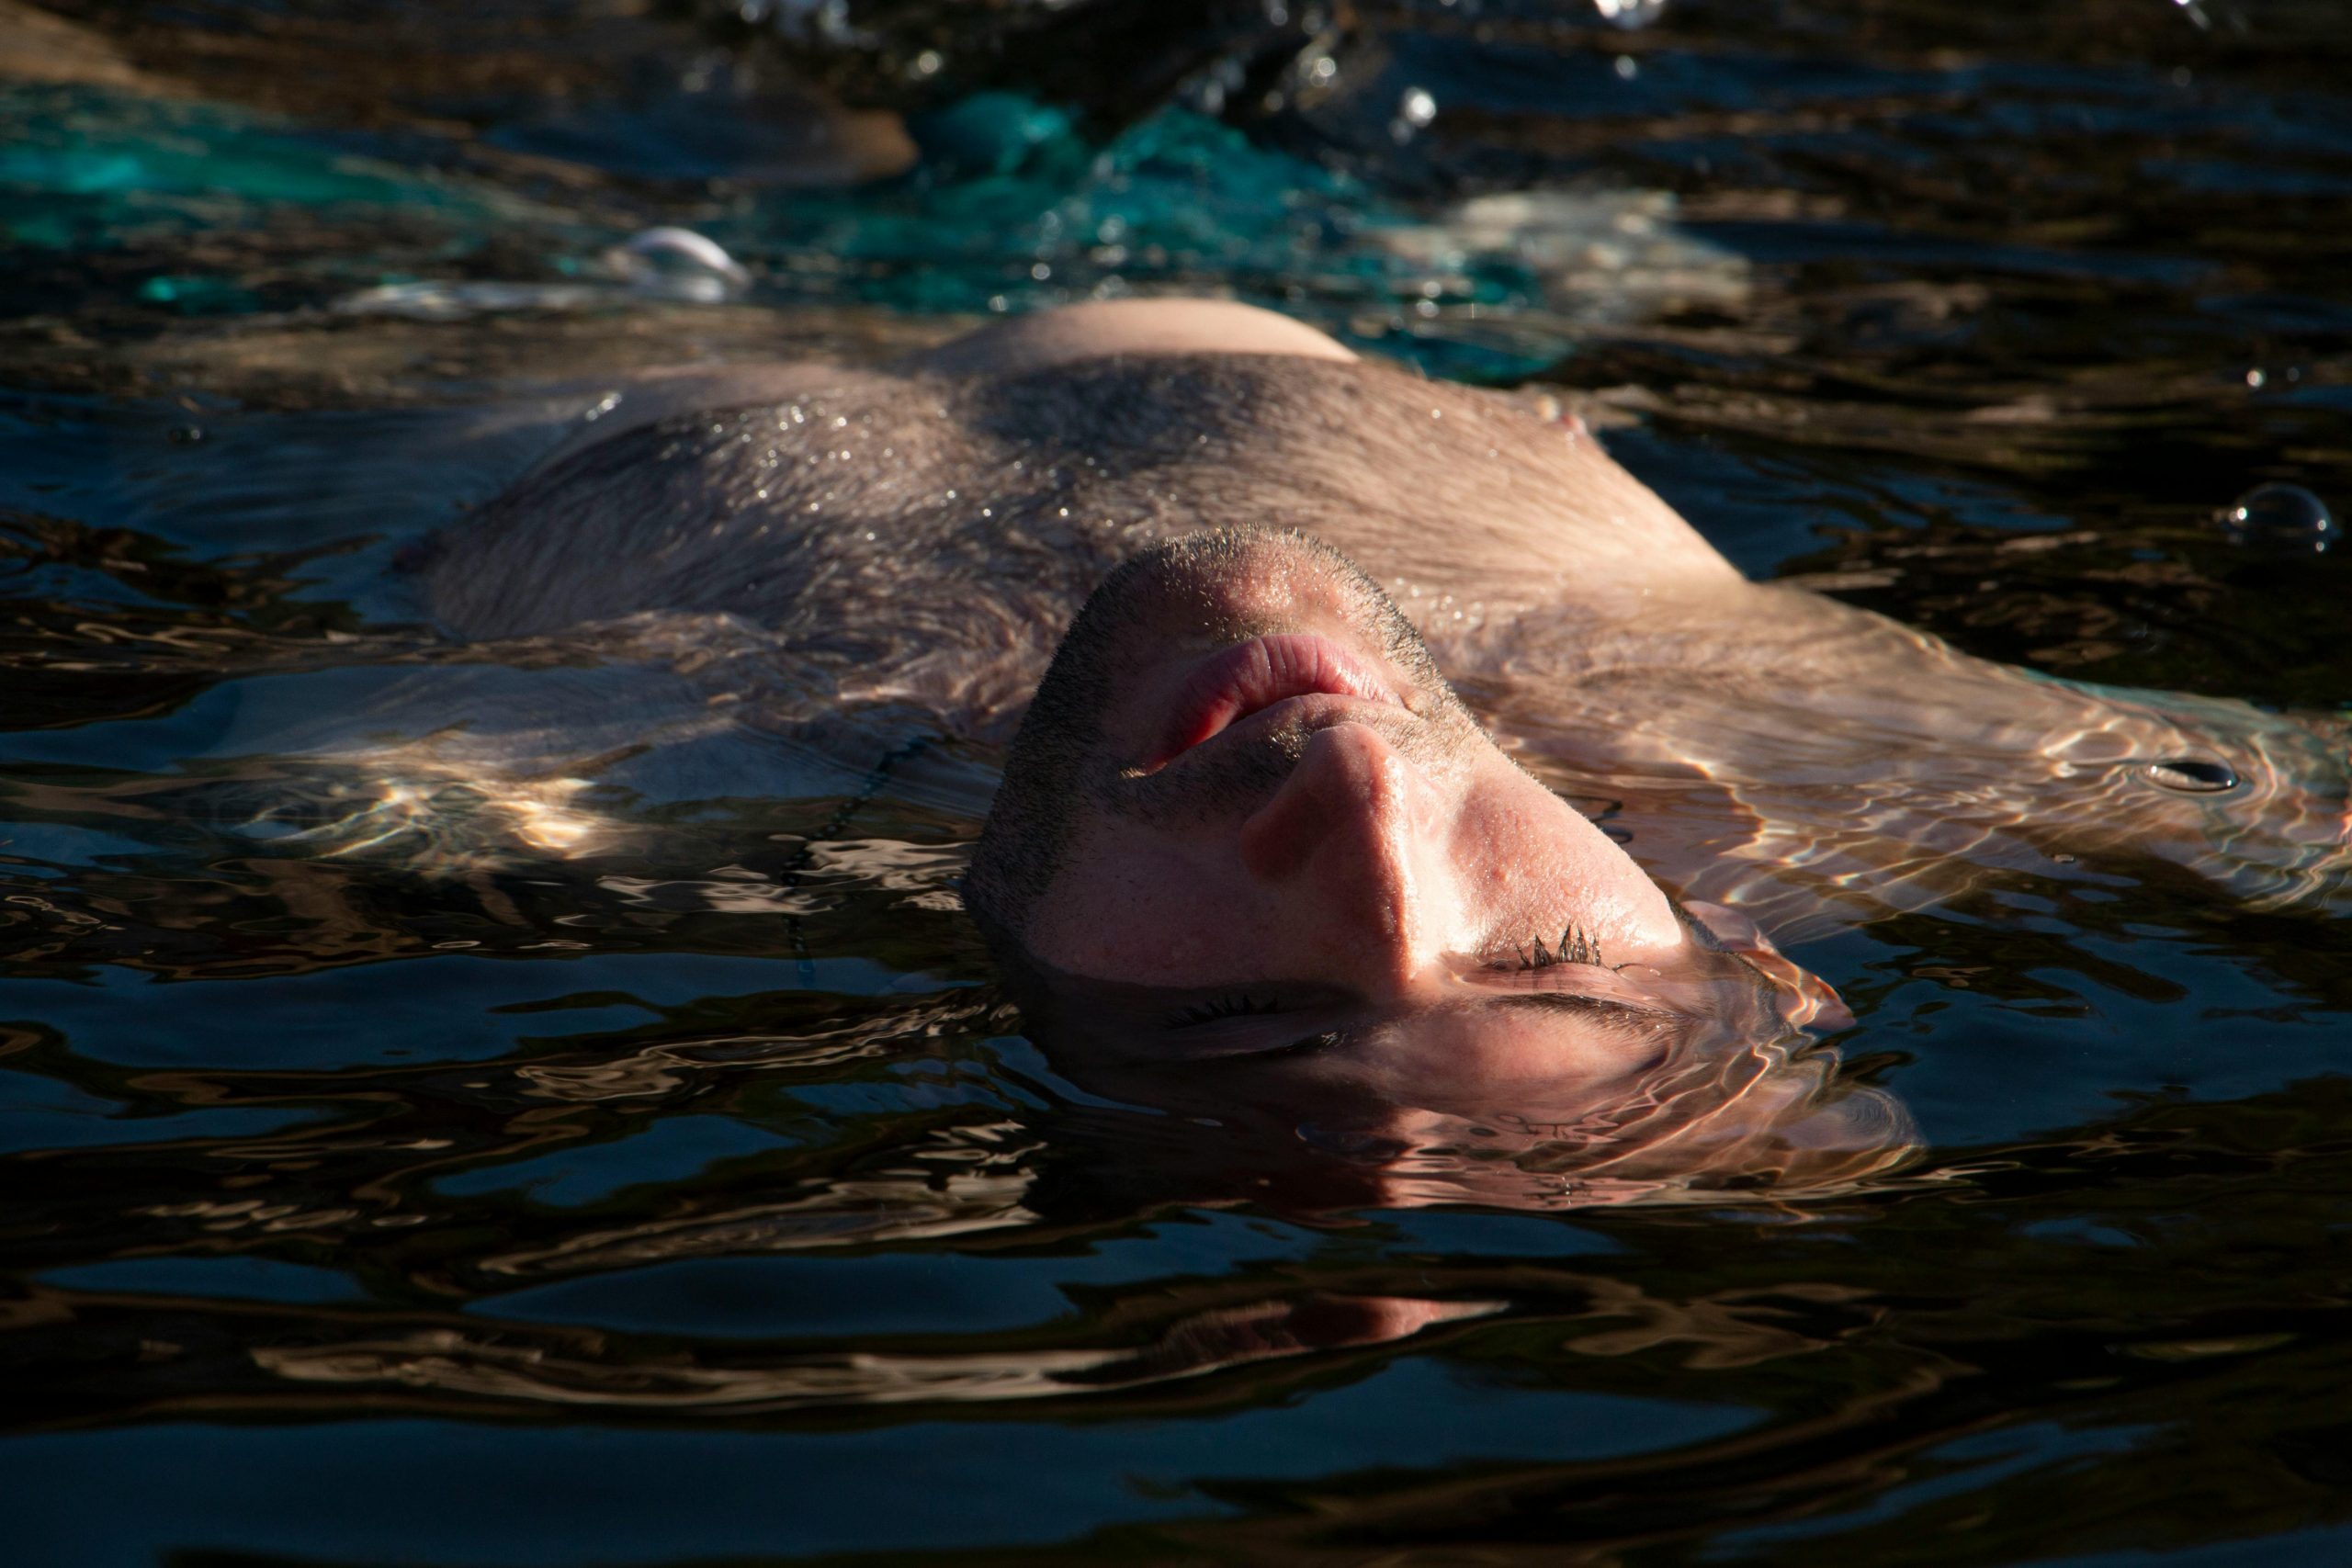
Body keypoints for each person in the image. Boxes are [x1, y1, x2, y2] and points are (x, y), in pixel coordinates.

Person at [413, 299, 2346, 1205]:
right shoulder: (1895, 760)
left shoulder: (564, 793)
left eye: (1254, 1013)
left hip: (426, 284)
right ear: (1753, 939)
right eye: (1547, 958)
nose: (1356, 810)